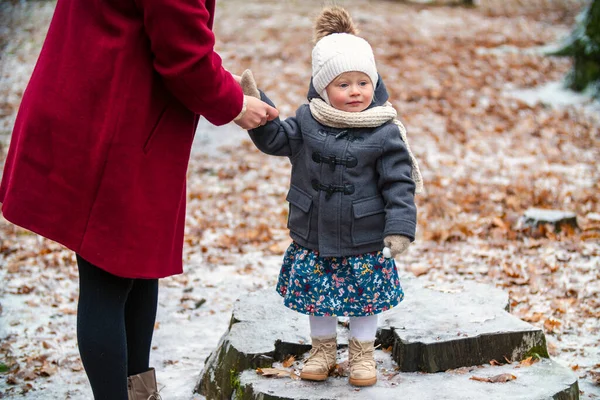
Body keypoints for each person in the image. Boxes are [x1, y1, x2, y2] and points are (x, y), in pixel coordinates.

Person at [0, 0, 277, 399]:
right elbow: (182, 56)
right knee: (107, 279)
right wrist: (233, 103)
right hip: (109, 126)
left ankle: (140, 395)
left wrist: (223, 80)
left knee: (138, 268)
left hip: (107, 110)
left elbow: (160, 31)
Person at [239, 6, 423, 387]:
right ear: (323, 87)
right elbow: (277, 139)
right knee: (316, 297)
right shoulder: (307, 120)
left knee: (364, 299)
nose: (355, 92)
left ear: (374, 83)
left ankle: (361, 354)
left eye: (362, 82)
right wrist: (259, 105)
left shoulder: (384, 130)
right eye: (343, 85)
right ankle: (322, 350)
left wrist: (400, 227)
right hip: (315, 233)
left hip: (364, 234)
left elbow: (399, 183)